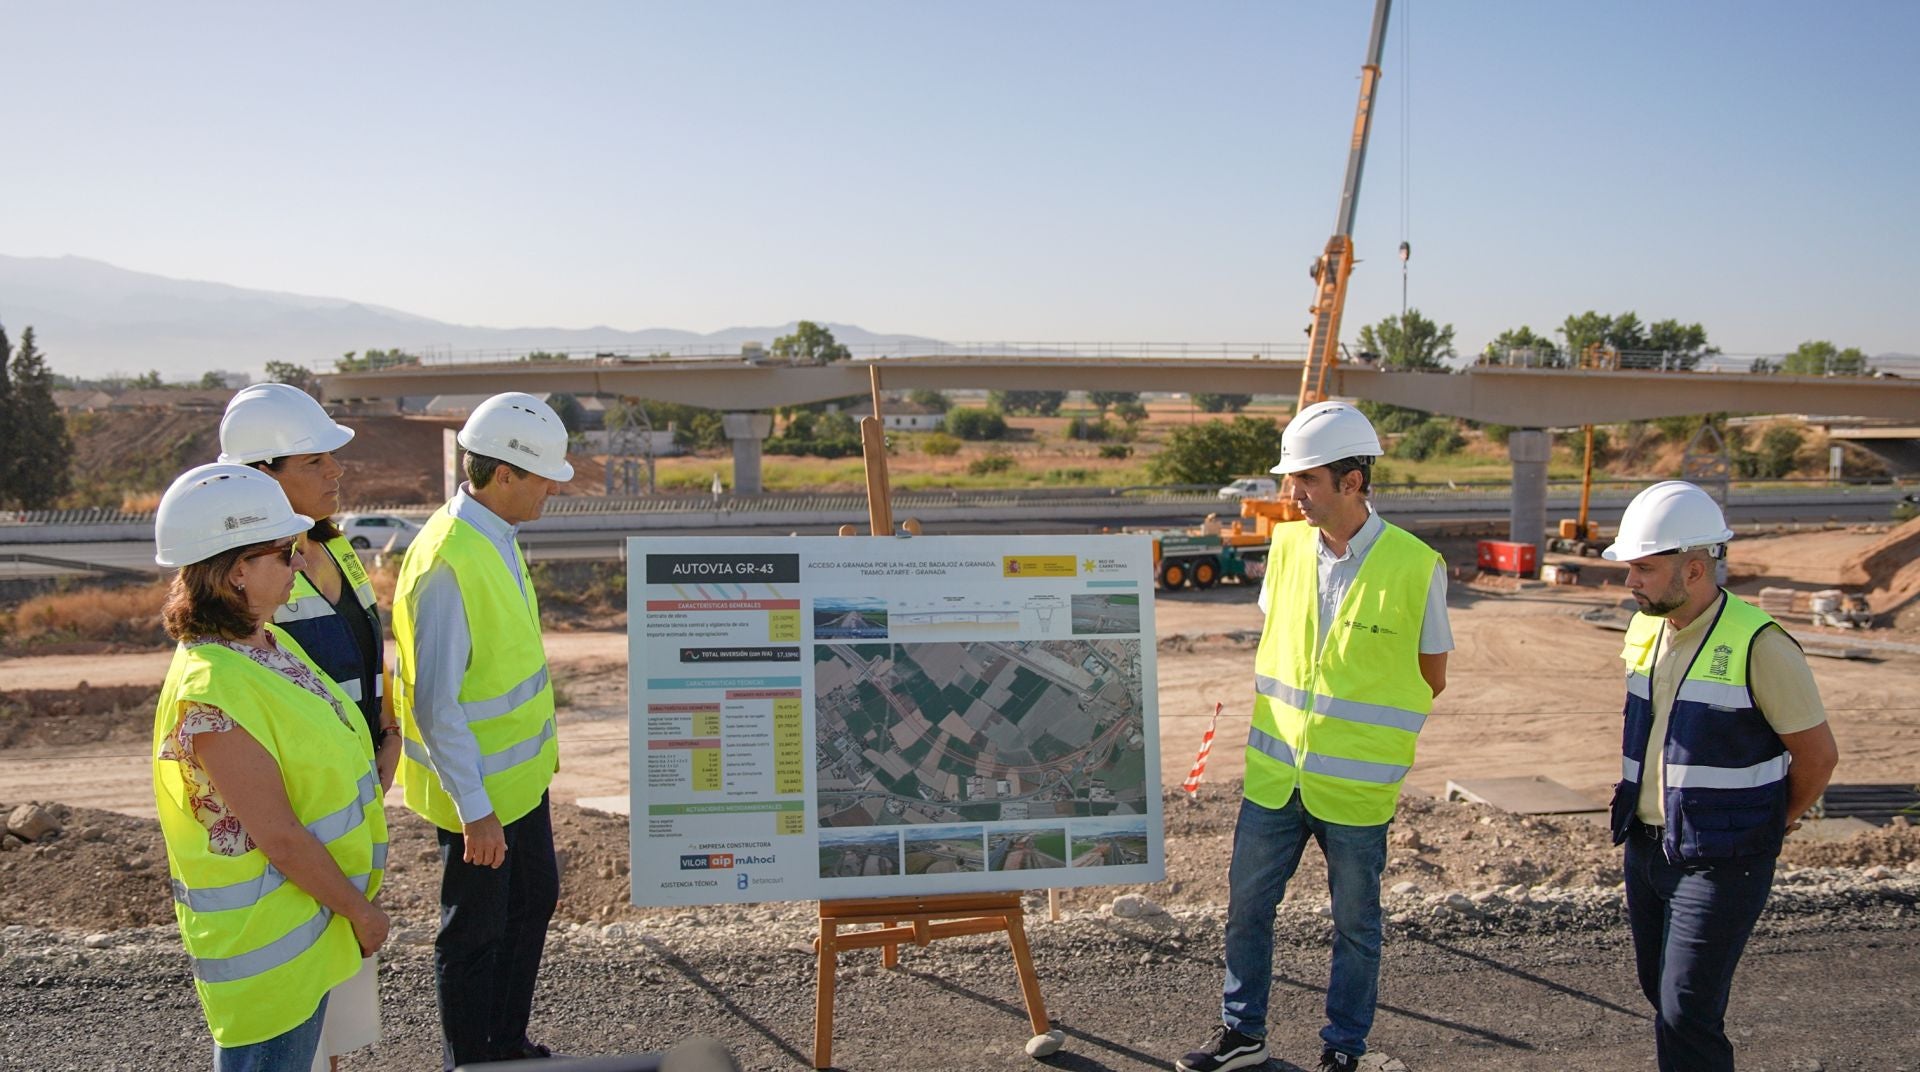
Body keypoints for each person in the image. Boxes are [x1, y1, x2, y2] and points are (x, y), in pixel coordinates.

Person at [1179, 401, 1452, 1072]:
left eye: (1305, 480)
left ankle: (1344, 1050)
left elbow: (1431, 675)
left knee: (1356, 929)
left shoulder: (1417, 566)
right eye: (1290, 478)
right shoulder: (1285, 548)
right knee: (1246, 911)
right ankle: (1243, 1035)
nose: (1290, 494)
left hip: (1356, 791)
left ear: (1353, 480)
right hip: (1275, 779)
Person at [149, 463, 389, 1071]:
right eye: (285, 553)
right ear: (235, 571)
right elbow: (278, 835)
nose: (302, 564)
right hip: (269, 953)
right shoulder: (211, 688)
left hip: (307, 928)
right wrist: (359, 912)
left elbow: (319, 770)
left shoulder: (268, 646)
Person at [1601, 481, 1839, 1071]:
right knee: (1663, 997)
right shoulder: (1644, 629)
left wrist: (1766, 824)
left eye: (1643, 569)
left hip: (1724, 859)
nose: (1629, 581)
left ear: (1697, 569)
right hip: (1647, 846)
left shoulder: (1761, 644)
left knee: (1687, 1010)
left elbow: (1818, 756)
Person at [217, 382, 399, 1072]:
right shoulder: (243, 578)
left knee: (329, 1014)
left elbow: (360, 651)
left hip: (346, 799)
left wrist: (387, 738)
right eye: (316, 463)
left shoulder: (334, 545)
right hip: (292, 816)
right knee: (288, 1013)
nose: (337, 472)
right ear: (263, 477)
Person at [392, 392, 573, 1068]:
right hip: (480, 799)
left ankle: (505, 1043)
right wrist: (476, 815)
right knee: (474, 933)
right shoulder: (448, 560)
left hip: (519, 782)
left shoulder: (495, 535)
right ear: (504, 475)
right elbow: (437, 705)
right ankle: (471, 1059)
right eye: (544, 476)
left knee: (533, 901)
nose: (554, 487)